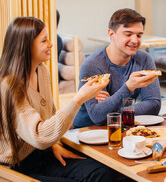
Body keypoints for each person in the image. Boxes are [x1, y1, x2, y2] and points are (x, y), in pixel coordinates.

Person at [0, 17, 116, 181]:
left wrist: (55, 144)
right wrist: (78, 99)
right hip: (17, 166)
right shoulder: (9, 86)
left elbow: (50, 116)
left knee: (102, 173)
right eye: (44, 40)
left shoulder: (42, 71)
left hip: (45, 153)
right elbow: (39, 136)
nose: (51, 44)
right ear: (25, 46)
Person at [73, 8, 161, 128]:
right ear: (111, 34)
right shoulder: (92, 65)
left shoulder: (144, 59)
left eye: (139, 35)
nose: (135, 40)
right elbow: (98, 116)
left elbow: (154, 105)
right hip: (88, 131)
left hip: (122, 128)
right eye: (128, 34)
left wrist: (110, 108)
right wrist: (129, 87)